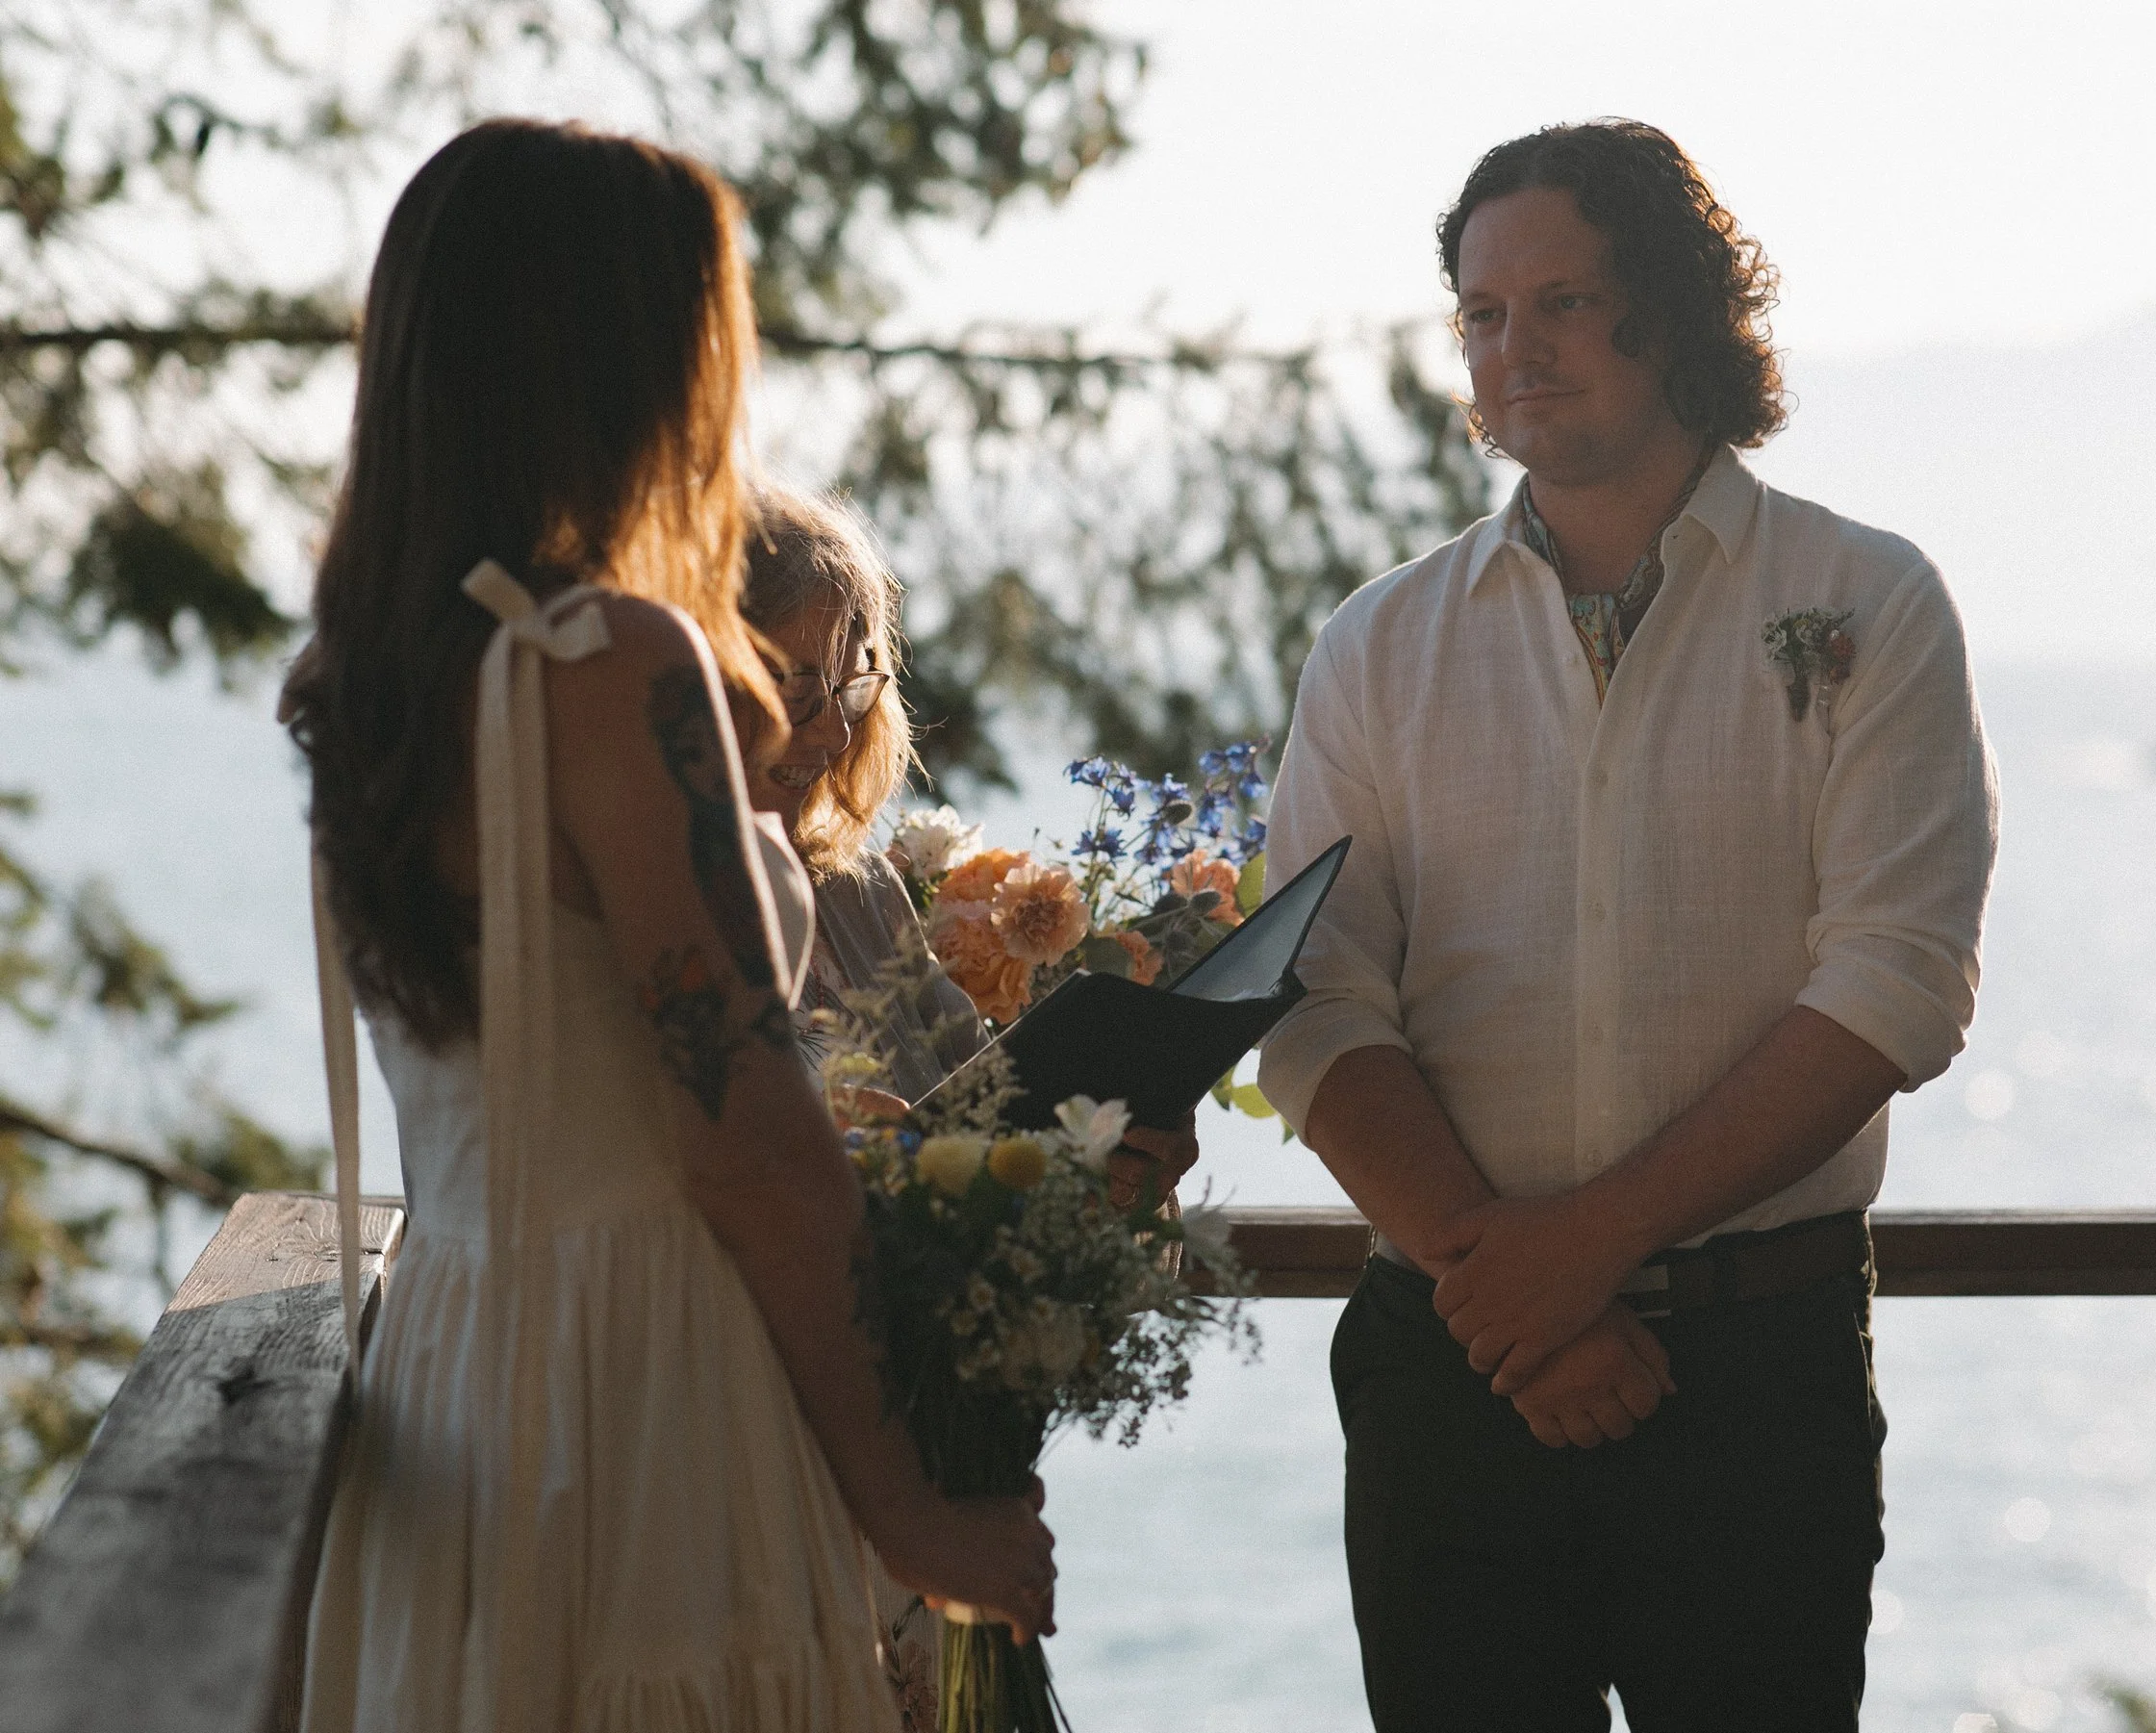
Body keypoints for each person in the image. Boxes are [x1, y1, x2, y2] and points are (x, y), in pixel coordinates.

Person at [283, 120, 1052, 1733]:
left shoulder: (380, 675)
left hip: (459, 1365)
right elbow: (748, 1140)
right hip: (645, 1389)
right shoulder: (612, 664)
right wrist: (909, 1507)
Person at [1255, 119, 1998, 1729]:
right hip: (1448, 1381)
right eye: (1483, 313)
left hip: (1754, 1382)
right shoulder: (1377, 645)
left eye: (1566, 301)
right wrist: (1508, 1297)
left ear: (1676, 312)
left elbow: (1898, 981)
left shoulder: (1870, 602)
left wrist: (1582, 1251)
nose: (1517, 348)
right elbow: (1313, 996)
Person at [735, 487, 1199, 1724]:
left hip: (933, 1450)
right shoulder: (661, 926)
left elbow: (977, 1099)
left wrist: (1104, 1153)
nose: (819, 727)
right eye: (781, 679)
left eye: (848, 681)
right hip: (762, 1455)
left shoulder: (863, 892)